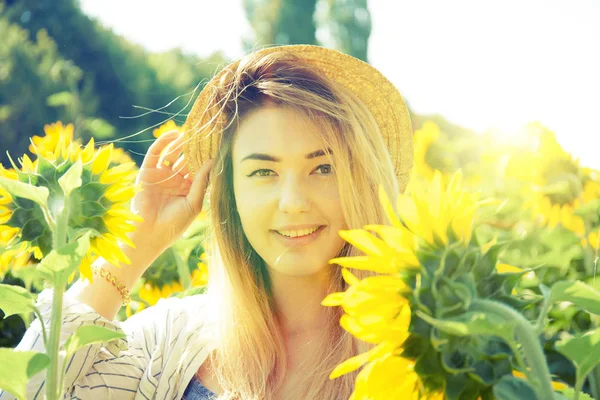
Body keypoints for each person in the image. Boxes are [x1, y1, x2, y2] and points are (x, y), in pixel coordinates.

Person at [0, 44, 413, 400]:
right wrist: (135, 242)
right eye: (263, 172)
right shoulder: (171, 340)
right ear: (229, 193)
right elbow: (24, 390)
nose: (293, 202)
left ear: (361, 179)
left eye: (323, 168)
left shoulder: (417, 344)